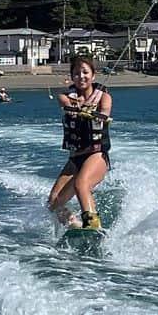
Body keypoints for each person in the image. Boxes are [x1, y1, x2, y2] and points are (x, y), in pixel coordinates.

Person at [47, 54, 112, 231]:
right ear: (72, 76)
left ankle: (93, 226)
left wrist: (95, 111)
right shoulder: (65, 97)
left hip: (96, 154)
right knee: (53, 202)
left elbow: (105, 113)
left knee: (81, 184)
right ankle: (74, 223)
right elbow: (67, 107)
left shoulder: (104, 97)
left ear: (93, 75)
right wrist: (78, 109)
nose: (81, 76)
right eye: (76, 73)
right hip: (75, 158)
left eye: (85, 72)